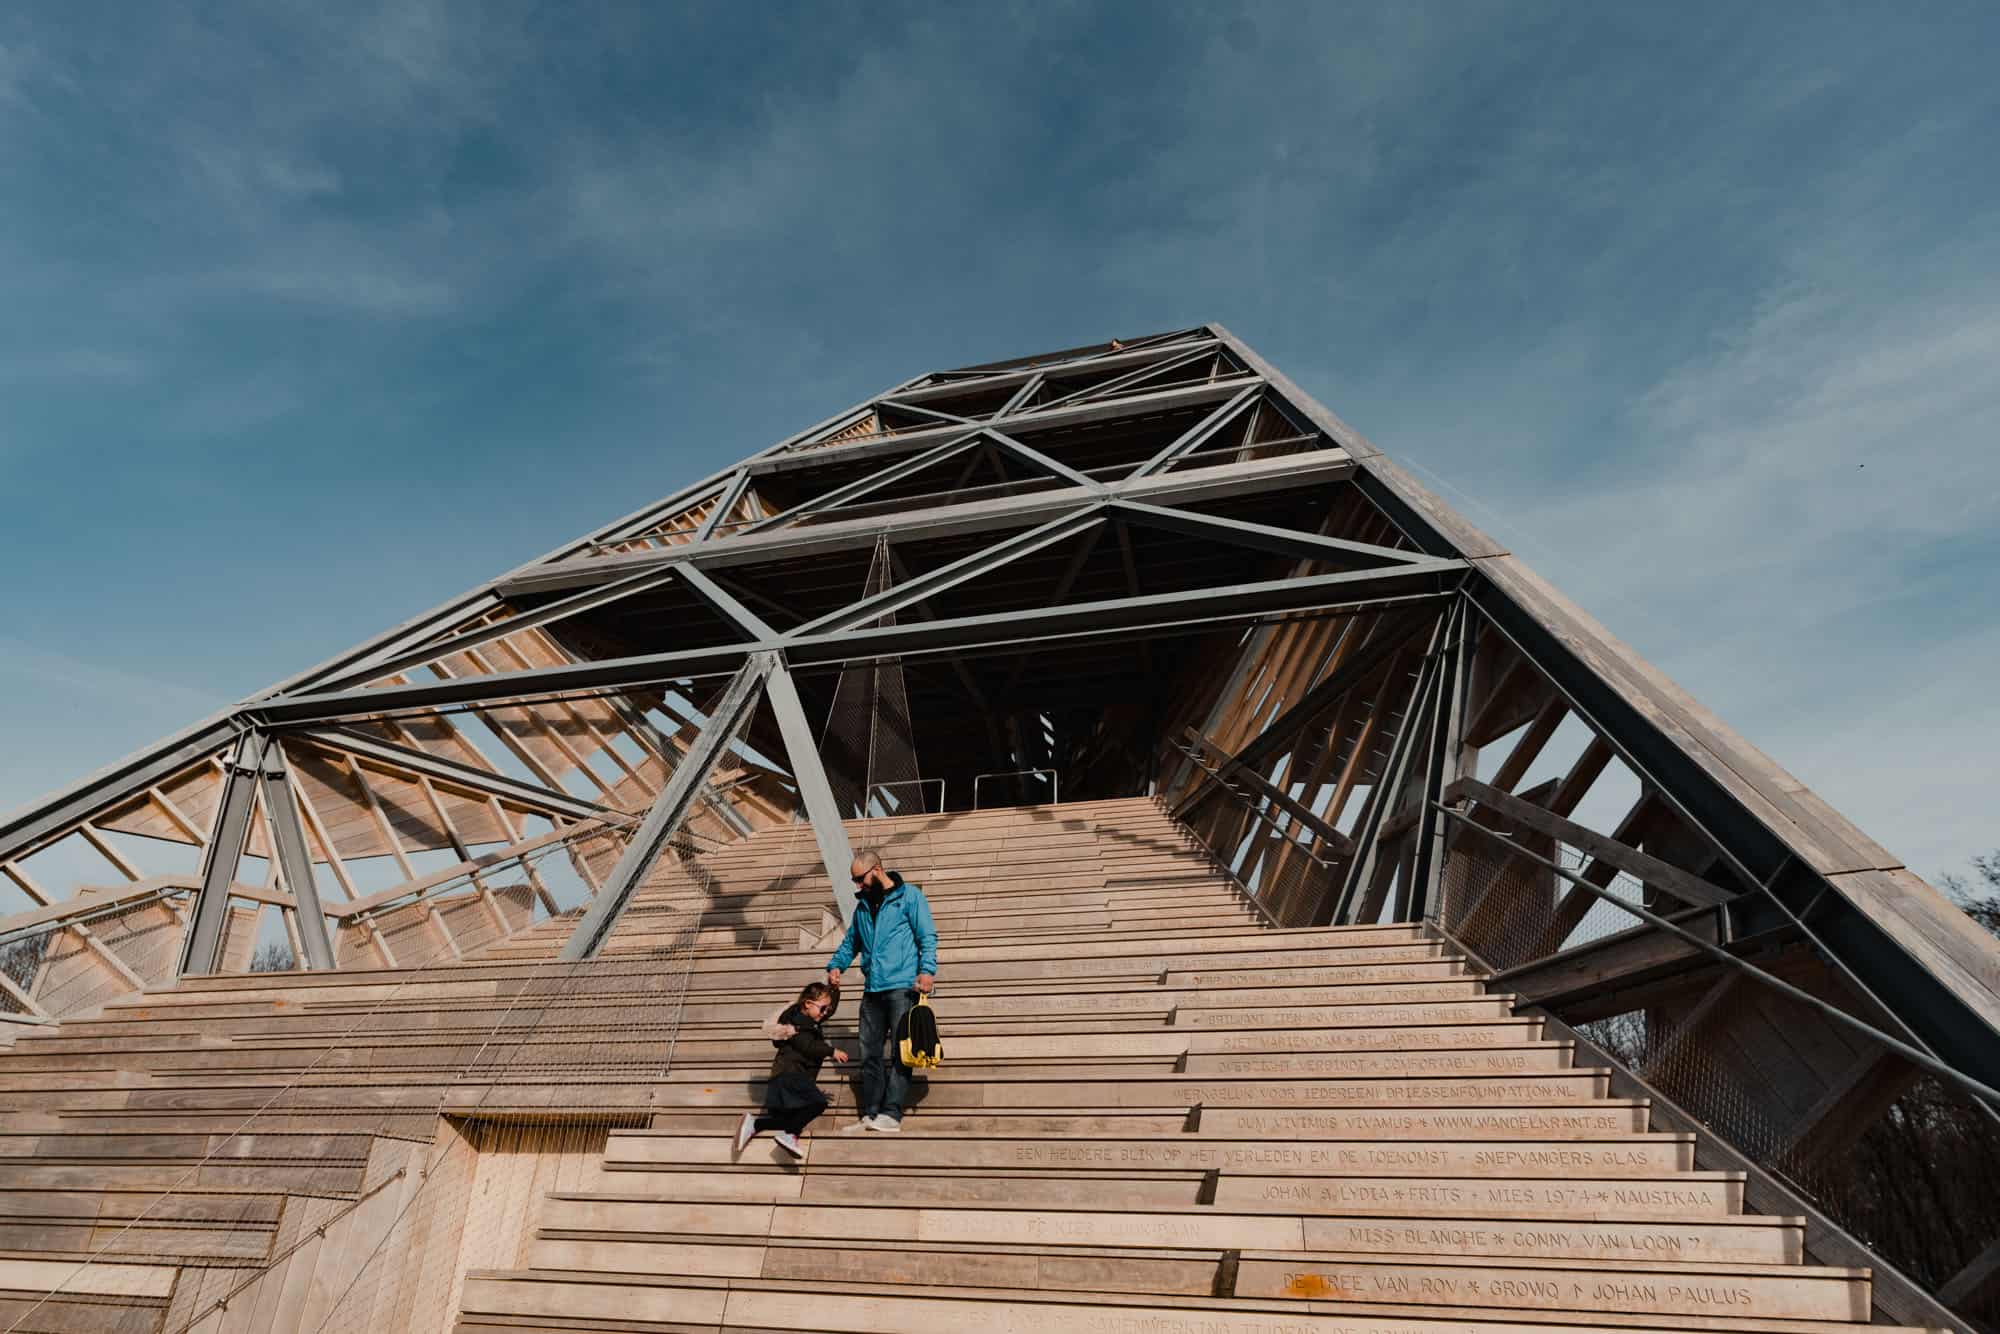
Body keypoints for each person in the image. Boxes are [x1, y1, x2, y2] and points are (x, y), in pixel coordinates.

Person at [825, 849, 938, 1132]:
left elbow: (927, 935)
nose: (857, 886)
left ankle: (892, 1113)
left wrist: (927, 970)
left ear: (875, 870)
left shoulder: (910, 897)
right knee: (870, 1053)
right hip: (872, 990)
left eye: (859, 879)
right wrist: (836, 965)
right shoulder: (863, 906)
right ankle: (872, 1113)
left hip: (902, 986)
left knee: (902, 1053)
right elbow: (851, 942)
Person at [736, 981, 848, 1158]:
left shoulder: (809, 1019)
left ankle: (754, 1125)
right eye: (823, 1009)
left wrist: (834, 989)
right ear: (808, 1004)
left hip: (788, 1074)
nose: (826, 1013)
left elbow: (829, 1010)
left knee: (791, 1119)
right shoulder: (797, 1022)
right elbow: (808, 1046)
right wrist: (832, 1051)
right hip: (790, 1073)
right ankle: (790, 1134)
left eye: (827, 1009)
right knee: (818, 1103)